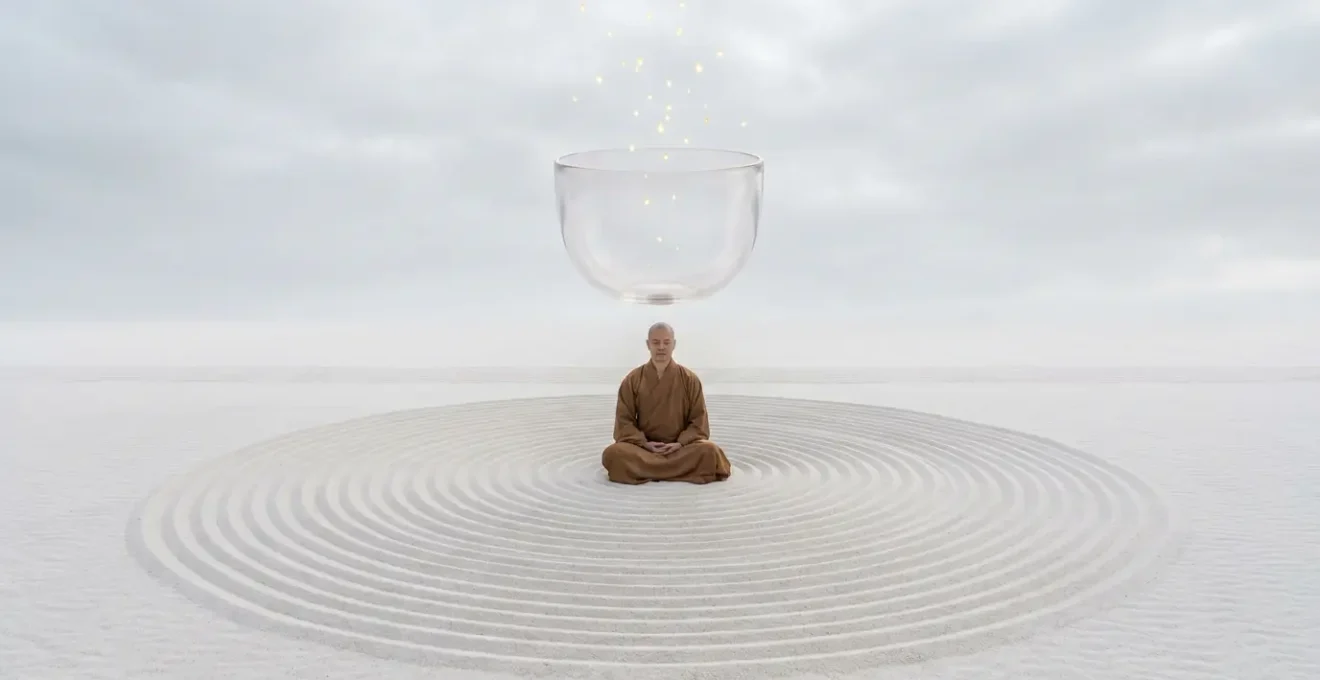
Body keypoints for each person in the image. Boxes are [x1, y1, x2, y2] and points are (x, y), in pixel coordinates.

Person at [601, 322, 732, 485]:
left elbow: (698, 422)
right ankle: (679, 471)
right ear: (648, 345)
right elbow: (624, 421)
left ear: (674, 344)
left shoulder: (690, 379)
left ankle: (647, 471)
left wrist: (679, 443)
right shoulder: (633, 379)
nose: (661, 347)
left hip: (680, 449)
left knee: (710, 451)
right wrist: (645, 444)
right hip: (644, 450)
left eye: (666, 342)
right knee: (613, 453)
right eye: (656, 342)